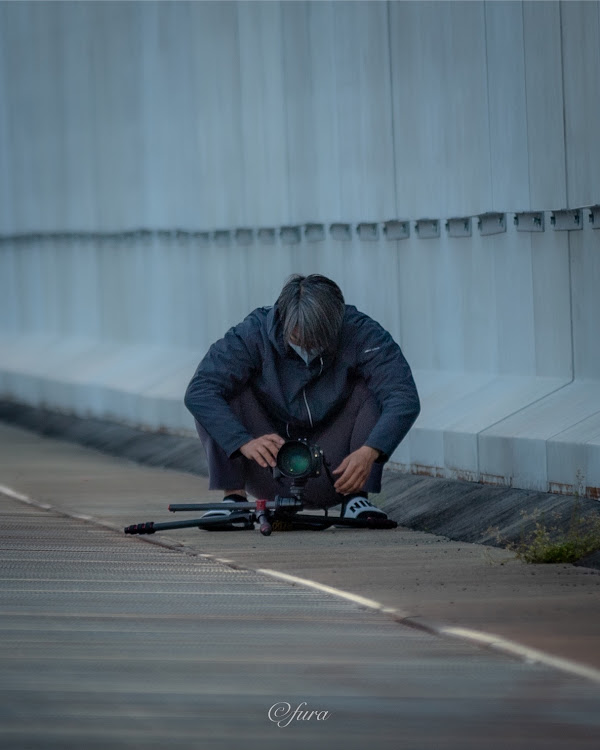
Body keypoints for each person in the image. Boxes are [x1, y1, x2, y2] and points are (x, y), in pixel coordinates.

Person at [184, 273, 420, 526]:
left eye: (316, 338)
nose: (307, 344)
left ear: (336, 321)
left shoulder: (362, 332)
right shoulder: (252, 333)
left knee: (374, 390)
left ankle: (356, 500)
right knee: (220, 391)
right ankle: (234, 501)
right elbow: (199, 391)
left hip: (336, 471)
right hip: (268, 462)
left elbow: (403, 395)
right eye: (298, 336)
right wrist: (243, 441)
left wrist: (371, 451)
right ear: (282, 319)